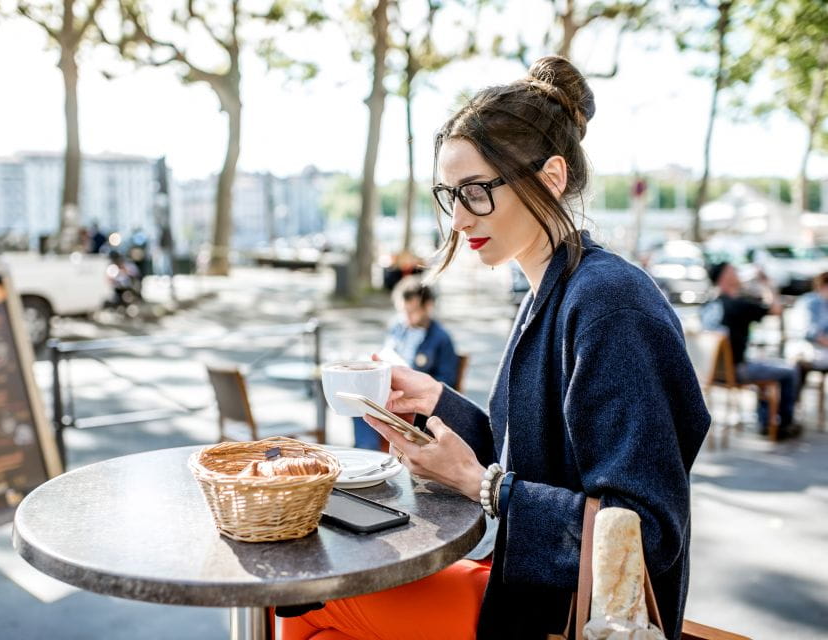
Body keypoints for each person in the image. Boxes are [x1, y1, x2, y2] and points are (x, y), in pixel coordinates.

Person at [282, 56, 709, 640]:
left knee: (310, 603)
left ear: (550, 179)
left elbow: (645, 534)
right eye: (449, 195)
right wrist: (436, 401)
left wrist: (479, 484)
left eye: (476, 192)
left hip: (566, 617)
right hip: (525, 588)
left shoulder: (609, 303)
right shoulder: (555, 290)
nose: (458, 219)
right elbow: (534, 460)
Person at [352, 276, 459, 450]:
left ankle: (368, 452)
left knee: (368, 406)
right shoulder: (398, 327)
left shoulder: (441, 338)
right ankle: (366, 451)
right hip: (392, 391)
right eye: (403, 311)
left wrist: (415, 382)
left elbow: (447, 382)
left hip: (415, 403)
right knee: (360, 401)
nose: (407, 317)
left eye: (412, 311)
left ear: (428, 306)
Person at [701, 262, 800, 438]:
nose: (739, 274)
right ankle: (782, 424)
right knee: (789, 371)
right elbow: (776, 309)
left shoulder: (708, 304)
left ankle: (766, 421)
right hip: (737, 370)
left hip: (710, 373)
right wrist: (766, 283)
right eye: (734, 271)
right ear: (726, 277)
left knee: (763, 366)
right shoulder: (738, 305)